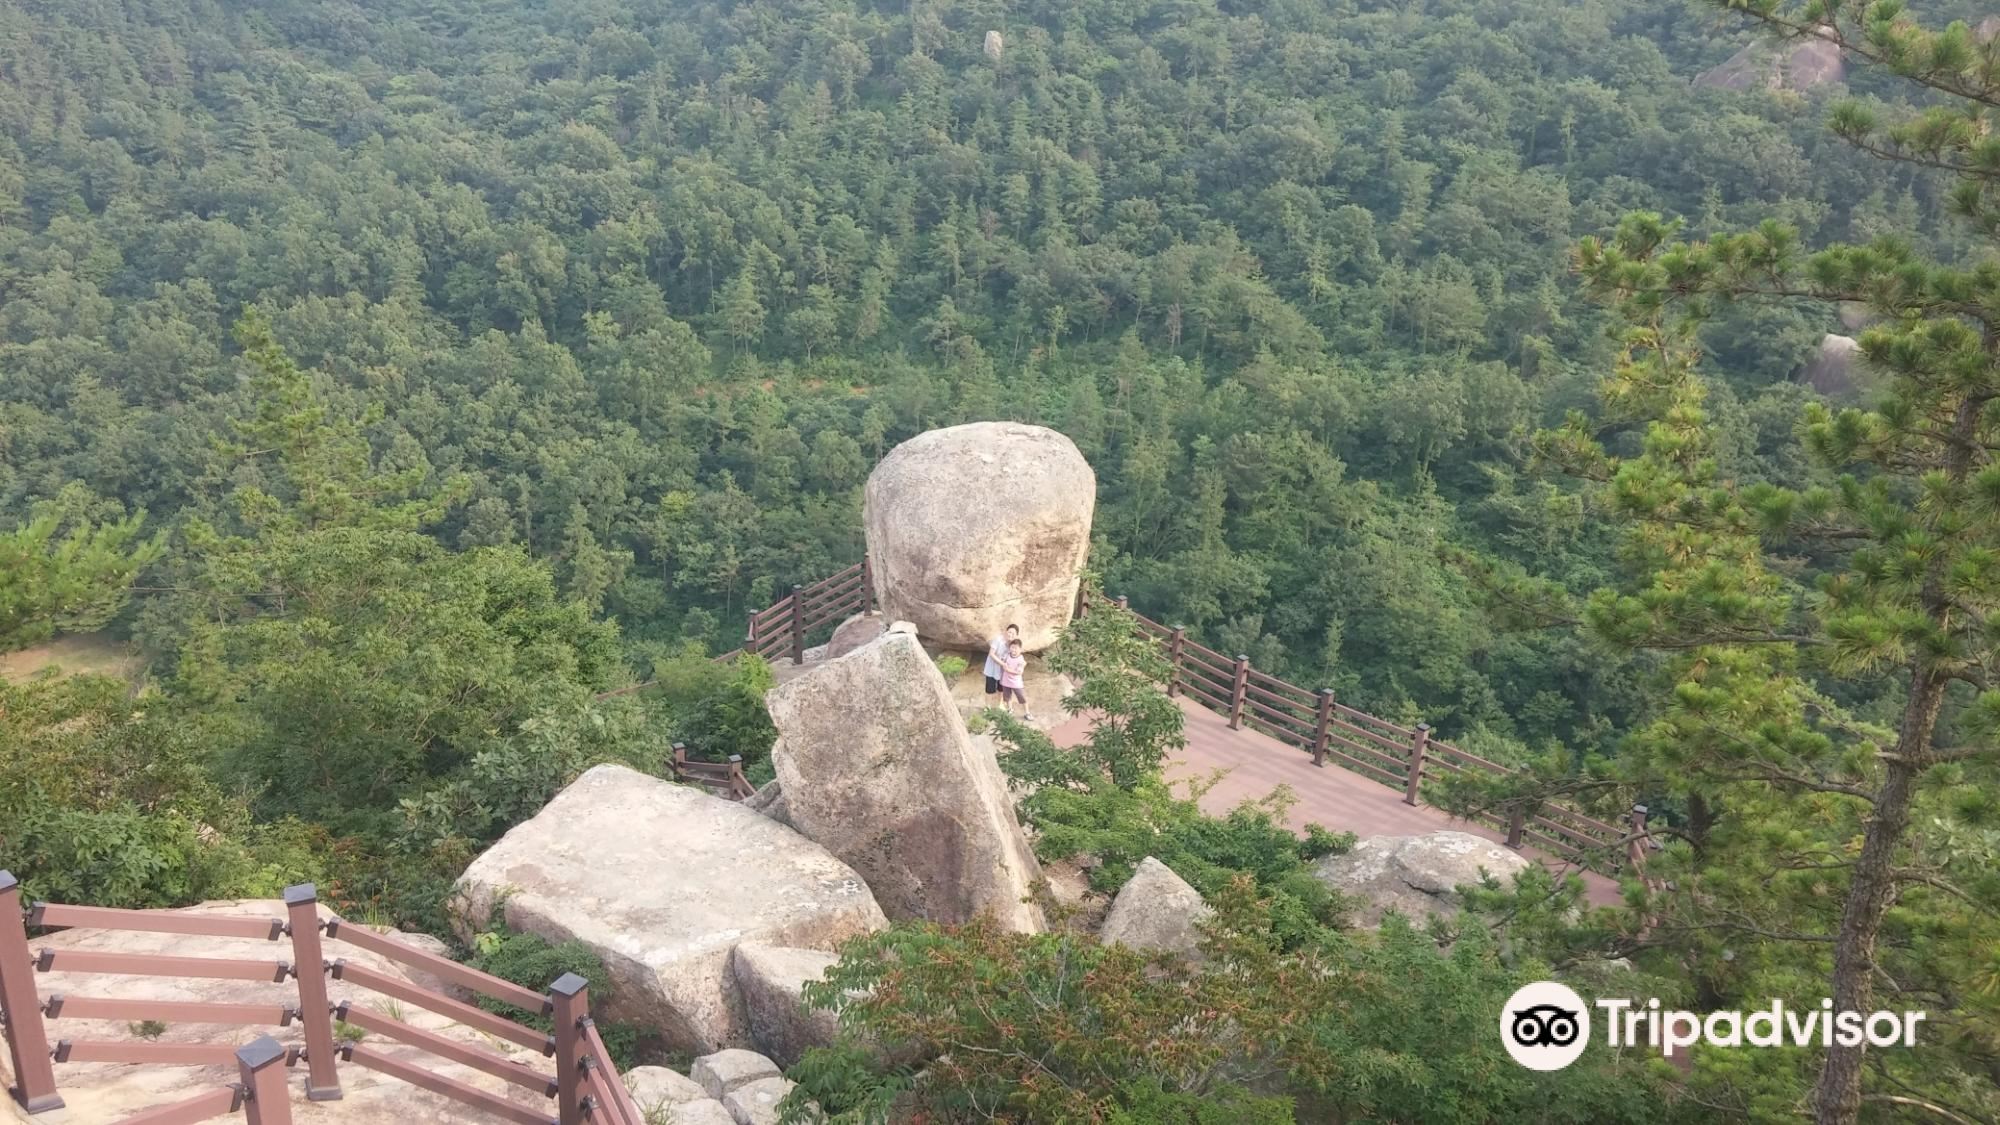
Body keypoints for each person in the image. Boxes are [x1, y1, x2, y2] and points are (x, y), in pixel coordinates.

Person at [983, 623, 1019, 702]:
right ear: (1006, 631)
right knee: (990, 689)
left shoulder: (1012, 645)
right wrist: (1002, 663)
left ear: (1016, 635)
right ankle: (987, 707)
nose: (1010, 635)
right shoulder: (998, 640)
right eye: (1009, 632)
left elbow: (1016, 656)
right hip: (992, 668)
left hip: (1003, 671)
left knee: (1001, 688)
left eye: (1013, 633)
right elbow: (991, 654)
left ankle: (1000, 705)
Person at [999, 637, 1031, 720]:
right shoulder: (1007, 656)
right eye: (1012, 647)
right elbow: (1001, 660)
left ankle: (1027, 713)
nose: (1013, 649)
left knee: (1022, 697)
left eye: (1016, 648)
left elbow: (1019, 672)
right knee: (1007, 696)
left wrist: (1008, 670)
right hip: (1006, 681)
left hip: (1016, 683)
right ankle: (1010, 709)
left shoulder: (1021, 659)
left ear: (1020, 649)